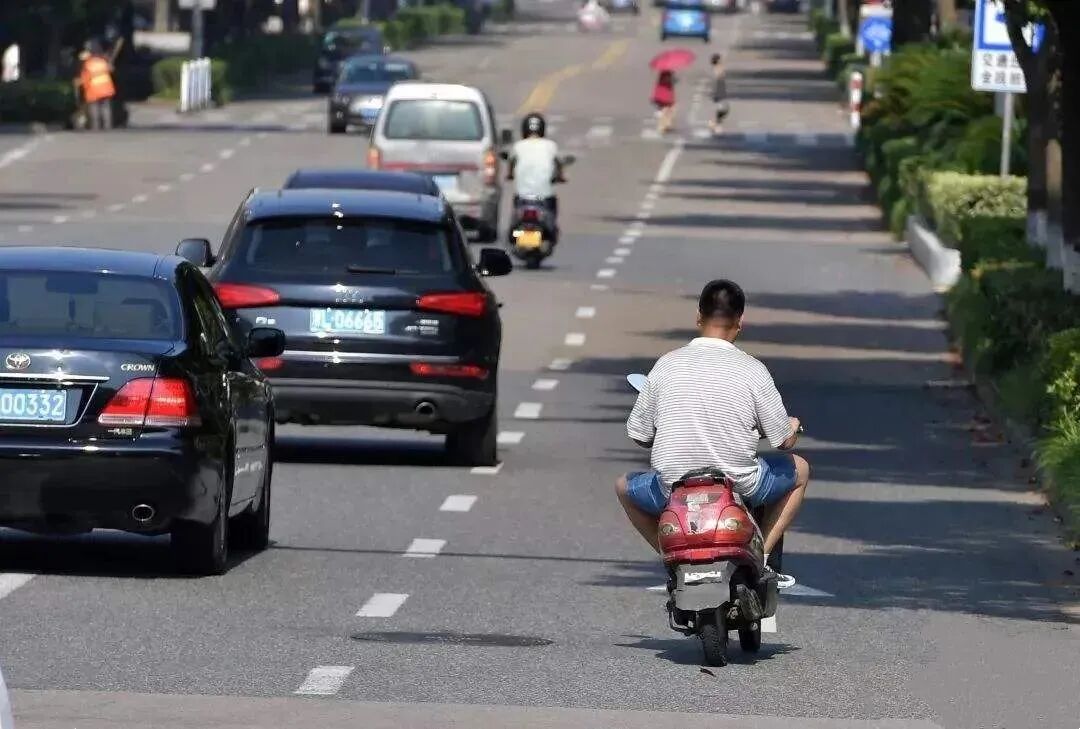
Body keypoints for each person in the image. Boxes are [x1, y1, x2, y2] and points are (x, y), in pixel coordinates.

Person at [616, 279, 810, 587]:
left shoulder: (666, 365)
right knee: (800, 468)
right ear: (740, 321)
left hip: (673, 488)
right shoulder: (753, 370)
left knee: (624, 487)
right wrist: (793, 425)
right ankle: (761, 559)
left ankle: (673, 560)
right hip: (738, 485)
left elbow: (639, 434)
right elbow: (784, 441)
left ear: (698, 317)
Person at [507, 112, 564, 219]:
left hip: (522, 196)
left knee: (515, 219)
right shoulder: (551, 146)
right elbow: (559, 163)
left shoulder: (518, 146)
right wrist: (560, 177)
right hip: (545, 197)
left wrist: (510, 175)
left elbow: (511, 163)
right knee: (551, 220)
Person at [76, 43, 116, 131]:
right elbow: (111, 69)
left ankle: (96, 126)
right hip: (106, 88)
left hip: (94, 89)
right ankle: (107, 125)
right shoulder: (103, 61)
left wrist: (80, 83)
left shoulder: (88, 64)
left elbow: (85, 78)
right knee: (106, 107)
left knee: (94, 108)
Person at [708, 53, 729, 134]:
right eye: (720, 59)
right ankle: (715, 124)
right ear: (717, 60)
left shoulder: (719, 68)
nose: (722, 60)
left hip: (721, 90)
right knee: (722, 109)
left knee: (725, 109)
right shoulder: (716, 69)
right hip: (718, 91)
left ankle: (714, 123)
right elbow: (717, 78)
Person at [651, 69, 676, 134]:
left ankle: (666, 125)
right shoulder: (665, 73)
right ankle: (661, 127)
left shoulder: (667, 73)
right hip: (664, 95)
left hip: (665, 94)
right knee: (665, 110)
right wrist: (672, 79)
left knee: (669, 109)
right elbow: (666, 80)